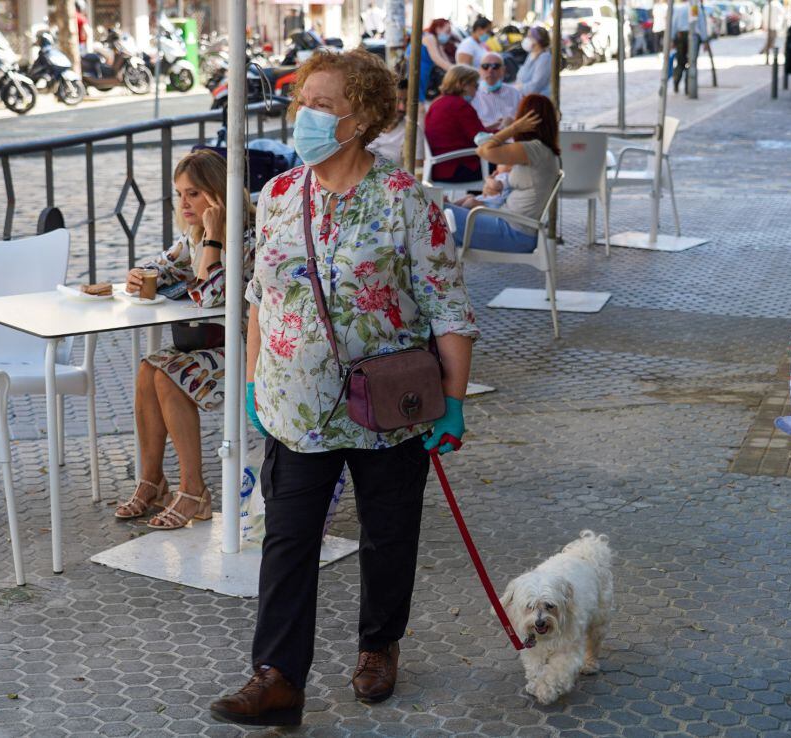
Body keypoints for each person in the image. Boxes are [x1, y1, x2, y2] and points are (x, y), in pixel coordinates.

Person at [209, 48, 477, 727]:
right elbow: (258, 301)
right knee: (287, 538)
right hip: (294, 408)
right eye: (302, 102)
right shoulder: (275, 196)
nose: (304, 115)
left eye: (321, 105)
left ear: (358, 121)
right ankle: (276, 676)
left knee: (389, 534)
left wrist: (455, 399)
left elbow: (448, 306)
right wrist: (251, 387)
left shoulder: (406, 200)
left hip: (390, 407)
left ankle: (379, 644)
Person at [116, 149, 256, 530]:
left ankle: (194, 490)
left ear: (218, 192)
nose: (184, 203)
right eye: (179, 194)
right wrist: (140, 274)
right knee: (149, 369)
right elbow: (161, 263)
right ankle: (153, 480)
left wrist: (213, 236)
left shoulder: (245, 237)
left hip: (251, 349)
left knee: (168, 376)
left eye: (194, 193)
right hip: (214, 346)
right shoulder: (192, 237)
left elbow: (213, 296)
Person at [444, 94, 562, 254]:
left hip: (513, 233)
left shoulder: (534, 149)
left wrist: (513, 128)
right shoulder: (542, 151)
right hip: (511, 226)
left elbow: (483, 150)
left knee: (434, 213)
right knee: (439, 210)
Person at [424, 64, 494, 183]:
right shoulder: (460, 105)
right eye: (475, 85)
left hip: (438, 167)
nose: (476, 90)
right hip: (456, 167)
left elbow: (462, 132)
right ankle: (484, 200)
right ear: (463, 84)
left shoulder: (437, 103)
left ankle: (473, 199)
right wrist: (508, 131)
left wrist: (492, 129)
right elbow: (481, 139)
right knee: (506, 161)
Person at [367, 78, 425, 166]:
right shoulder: (363, 126)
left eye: (406, 101)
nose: (402, 108)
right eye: (397, 101)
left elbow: (417, 172)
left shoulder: (413, 132)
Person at [472, 51, 523, 128]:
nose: (490, 70)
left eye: (495, 66)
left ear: (503, 70)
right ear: (480, 70)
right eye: (485, 66)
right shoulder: (473, 95)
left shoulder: (514, 92)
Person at [517, 26, 552, 97]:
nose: (526, 39)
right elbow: (522, 75)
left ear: (537, 40)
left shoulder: (544, 58)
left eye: (529, 36)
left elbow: (536, 85)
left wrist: (519, 88)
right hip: (527, 97)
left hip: (538, 100)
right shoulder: (531, 54)